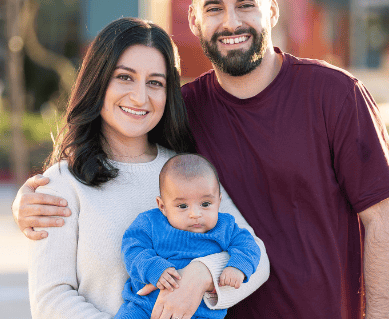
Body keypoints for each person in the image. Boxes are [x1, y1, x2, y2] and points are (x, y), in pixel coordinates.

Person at [14, 0, 389, 319]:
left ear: (271, 9)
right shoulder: (183, 112)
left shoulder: (334, 95)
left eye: (246, 4)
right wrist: (29, 200)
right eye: (214, 7)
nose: (231, 22)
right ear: (193, 20)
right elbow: (115, 163)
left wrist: (203, 273)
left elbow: (384, 223)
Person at [27, 17, 269, 319]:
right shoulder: (62, 183)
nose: (140, 97)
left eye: (155, 83)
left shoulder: (185, 171)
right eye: (125, 77)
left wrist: (203, 274)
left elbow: (257, 260)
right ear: (98, 80)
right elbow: (50, 298)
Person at [116, 153, 261, 319]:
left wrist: (237, 267)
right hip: (145, 308)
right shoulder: (150, 223)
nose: (195, 214)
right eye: (182, 206)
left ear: (219, 202)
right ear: (162, 206)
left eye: (205, 204)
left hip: (201, 313)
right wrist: (152, 267)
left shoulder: (225, 227)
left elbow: (249, 246)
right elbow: (132, 247)